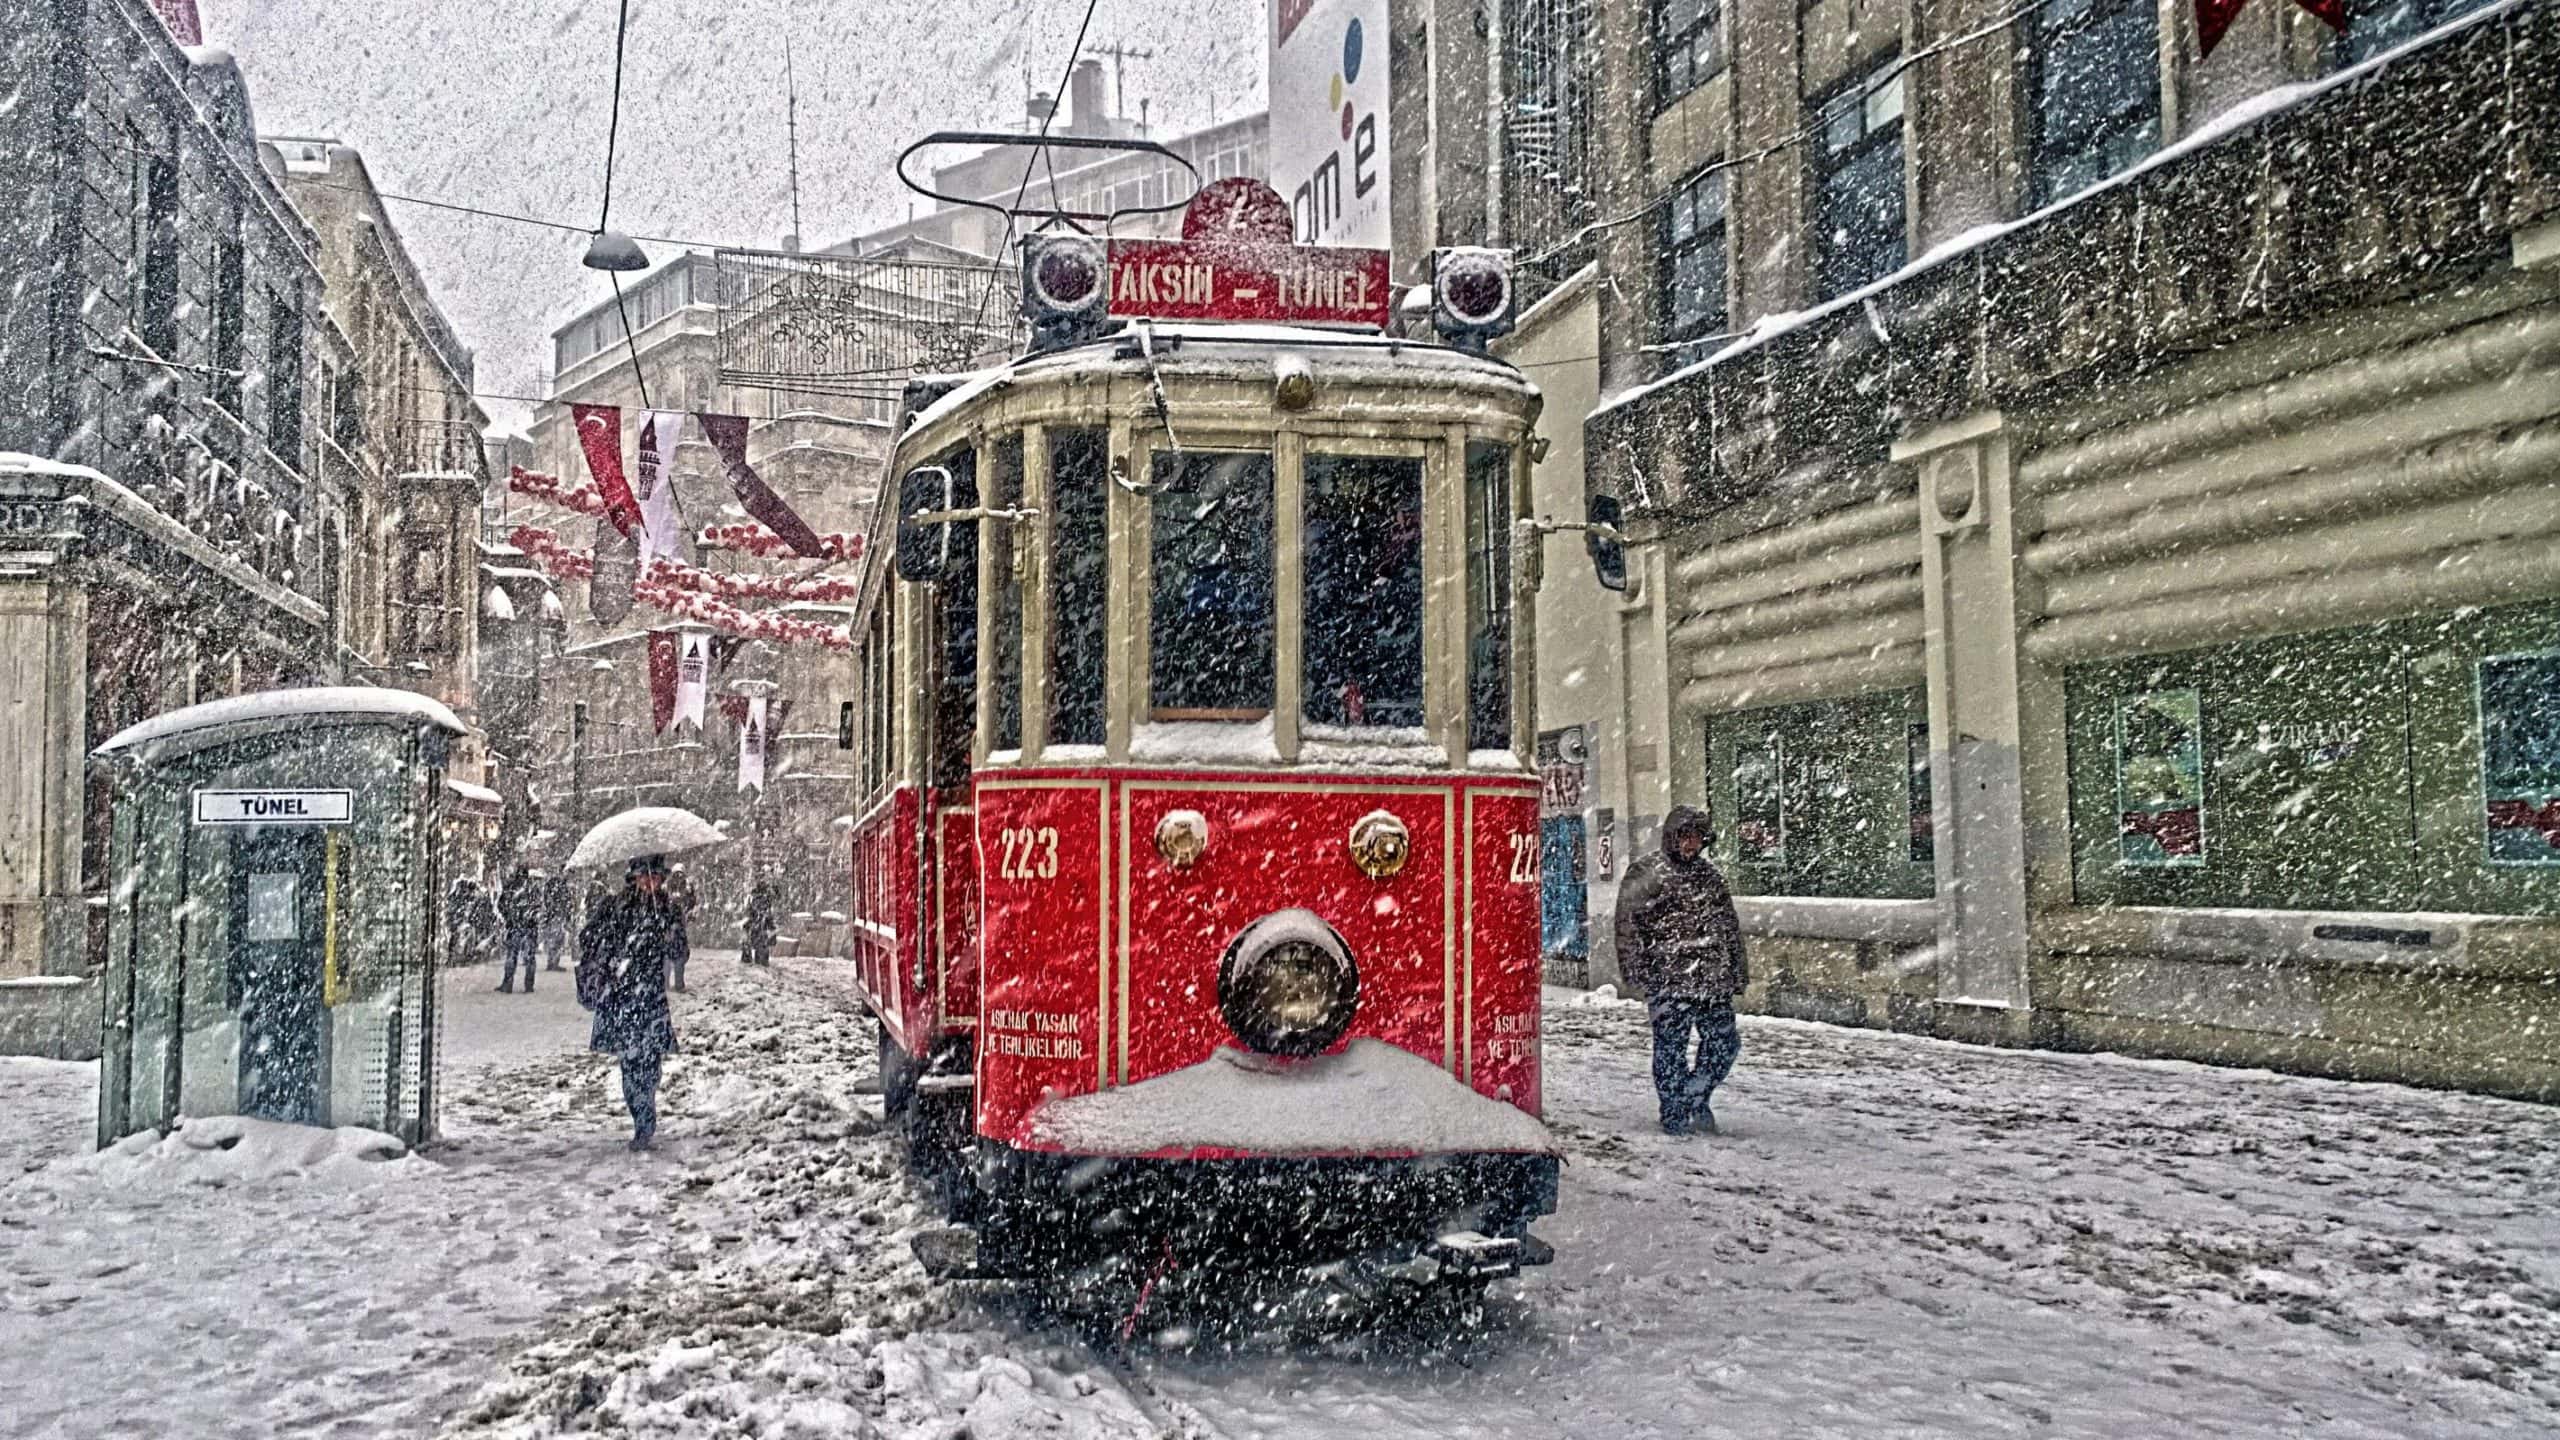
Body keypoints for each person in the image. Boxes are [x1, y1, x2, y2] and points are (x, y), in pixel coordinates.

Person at [1613, 805, 1748, 1135]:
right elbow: (1627, 924)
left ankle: (1692, 1097)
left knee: (1724, 1044)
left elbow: (1729, 926)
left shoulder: (1711, 876)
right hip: (1668, 977)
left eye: (1698, 838)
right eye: (1686, 837)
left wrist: (1737, 969)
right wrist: (1635, 969)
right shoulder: (1647, 872)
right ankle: (1674, 1111)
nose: (1692, 845)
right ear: (1672, 838)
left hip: (1712, 979)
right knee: (1670, 1050)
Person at [578, 855, 686, 1151]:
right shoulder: (615, 906)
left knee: (650, 1062)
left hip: (650, 995)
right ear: (634, 877)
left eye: (655, 878)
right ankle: (640, 1116)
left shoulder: (669, 909)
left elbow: (679, 953)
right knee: (629, 1062)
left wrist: (669, 933)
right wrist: (611, 948)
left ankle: (645, 1117)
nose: (650, 883)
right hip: (621, 994)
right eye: (644, 876)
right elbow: (587, 937)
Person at [496, 864, 541, 993]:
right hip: (529, 927)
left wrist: (509, 917)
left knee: (512, 955)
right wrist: (531, 918)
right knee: (529, 956)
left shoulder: (510, 887)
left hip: (514, 926)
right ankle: (529, 985)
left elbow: (501, 905)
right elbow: (538, 908)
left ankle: (508, 984)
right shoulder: (533, 889)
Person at [664, 865, 700, 991]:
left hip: (678, 929)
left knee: (678, 957)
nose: (678, 878)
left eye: (680, 875)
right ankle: (667, 984)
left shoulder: (688, 889)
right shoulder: (667, 889)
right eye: (676, 875)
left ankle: (677, 984)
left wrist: (689, 915)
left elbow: (693, 906)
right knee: (668, 958)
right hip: (670, 929)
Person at [540, 870, 574, 971]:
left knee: (558, 939)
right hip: (556, 915)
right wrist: (554, 908)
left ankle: (553, 962)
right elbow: (549, 898)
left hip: (558, 915)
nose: (570, 876)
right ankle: (552, 962)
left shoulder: (560, 885)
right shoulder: (556, 884)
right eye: (569, 873)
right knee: (555, 939)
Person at [741, 881, 777, 968]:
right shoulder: (764, 899)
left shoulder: (753, 897)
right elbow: (767, 913)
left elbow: (749, 910)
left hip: (755, 924)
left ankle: (749, 958)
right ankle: (759, 959)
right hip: (759, 925)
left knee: (749, 942)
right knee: (761, 945)